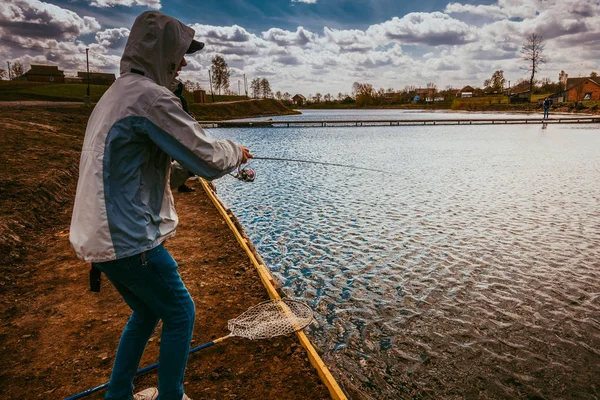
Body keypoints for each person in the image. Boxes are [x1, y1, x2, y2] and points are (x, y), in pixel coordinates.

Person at [69, 10, 252, 400]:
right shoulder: (149, 98)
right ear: (163, 51)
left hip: (102, 237)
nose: (184, 62)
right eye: (182, 53)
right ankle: (171, 395)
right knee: (181, 313)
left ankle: (117, 394)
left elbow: (143, 168)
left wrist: (186, 170)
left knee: (148, 311)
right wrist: (237, 151)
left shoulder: (118, 94)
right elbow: (206, 157)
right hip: (127, 240)